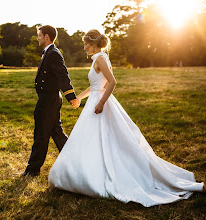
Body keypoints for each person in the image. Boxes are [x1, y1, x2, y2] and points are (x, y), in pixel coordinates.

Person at [48, 29, 203, 207]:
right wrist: (78, 98)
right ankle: (89, 171)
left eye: (85, 44)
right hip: (95, 100)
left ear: (93, 43)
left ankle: (95, 176)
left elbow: (112, 82)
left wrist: (100, 104)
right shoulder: (100, 58)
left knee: (100, 138)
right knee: (96, 139)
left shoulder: (99, 58)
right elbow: (96, 86)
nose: (84, 47)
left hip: (100, 104)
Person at [22, 25, 80, 177]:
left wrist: (71, 96)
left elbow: (63, 76)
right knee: (57, 133)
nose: (38, 38)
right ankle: (77, 160)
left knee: (41, 135)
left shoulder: (53, 53)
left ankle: (32, 170)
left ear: (46, 37)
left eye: (39, 35)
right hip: (48, 99)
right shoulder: (48, 52)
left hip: (49, 100)